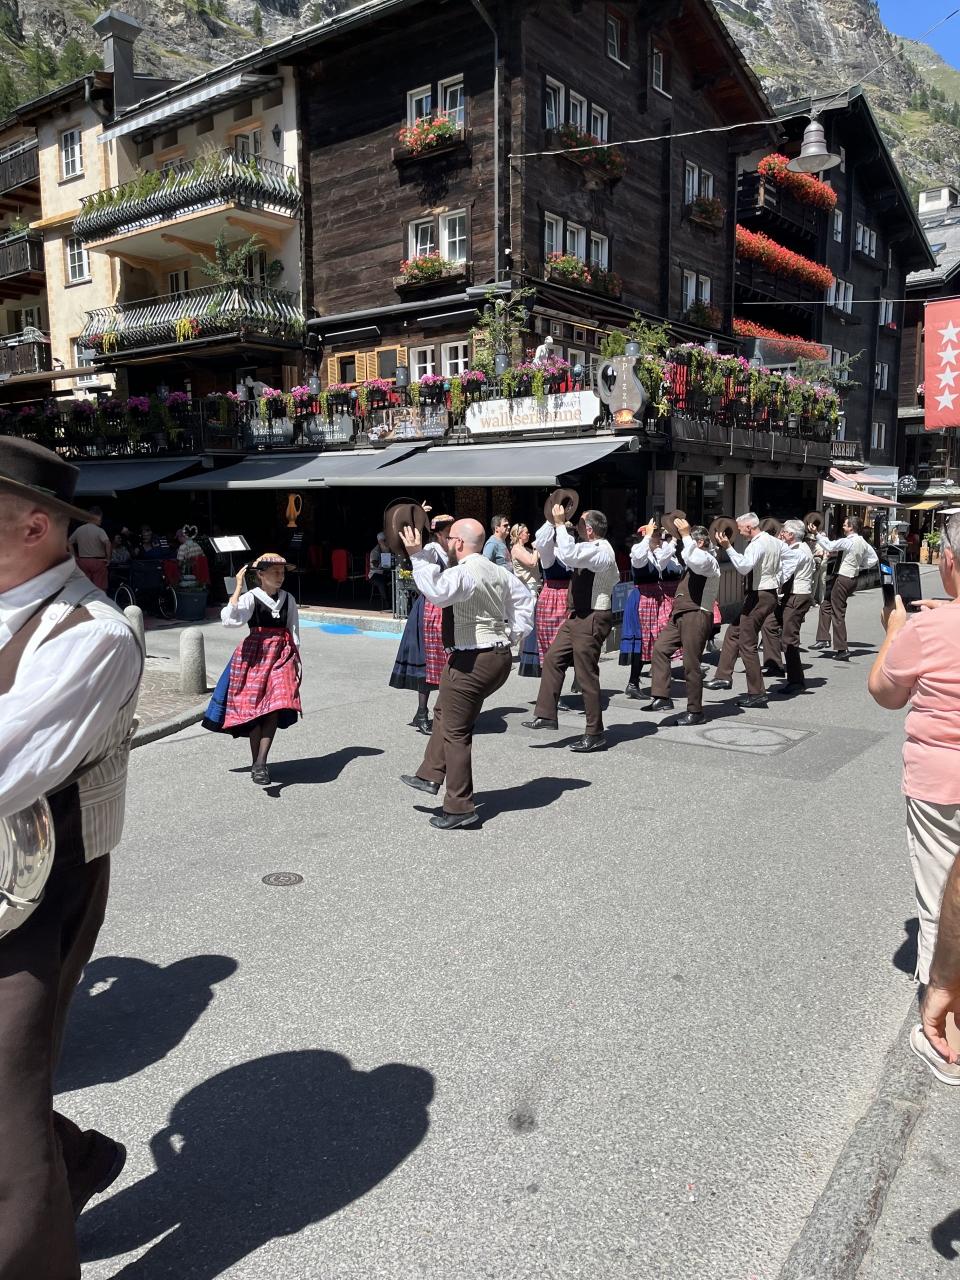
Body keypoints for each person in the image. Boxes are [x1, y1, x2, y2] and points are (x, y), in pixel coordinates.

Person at [0, 437, 144, 1278]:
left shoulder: (95, 636)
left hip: (35, 889)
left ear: (33, 528)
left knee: (6, 1136)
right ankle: (75, 1158)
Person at [868, 513, 960, 1022]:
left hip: (940, 781)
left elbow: (886, 692)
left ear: (948, 560)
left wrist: (896, 630)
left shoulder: (927, 628)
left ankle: (940, 1022)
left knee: (941, 896)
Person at [398, 517, 534, 829]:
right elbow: (525, 601)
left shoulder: (464, 572)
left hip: (475, 658)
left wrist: (417, 555)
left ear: (458, 542)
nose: (447, 543)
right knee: (443, 711)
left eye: (450, 539)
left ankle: (460, 807)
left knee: (456, 731)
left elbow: (437, 592)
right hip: (494, 656)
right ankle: (430, 774)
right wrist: (510, 634)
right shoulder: (497, 570)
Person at [523, 506, 620, 752]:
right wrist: (551, 521)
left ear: (590, 529)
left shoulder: (601, 550)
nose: (575, 526)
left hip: (593, 615)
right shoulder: (587, 548)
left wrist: (559, 525)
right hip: (577, 615)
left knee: (586, 675)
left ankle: (595, 733)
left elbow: (569, 553)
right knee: (553, 658)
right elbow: (542, 544)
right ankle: (546, 714)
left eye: (580, 524)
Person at [202, 553, 302, 786]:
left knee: (275, 706)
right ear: (261, 575)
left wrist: (296, 659)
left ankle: (261, 762)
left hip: (280, 656)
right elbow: (230, 620)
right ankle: (258, 764)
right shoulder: (250, 597)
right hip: (253, 657)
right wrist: (238, 587)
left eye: (282, 572)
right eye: (275, 572)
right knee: (255, 710)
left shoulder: (288, 599)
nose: (280, 576)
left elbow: (294, 631)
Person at [641, 519, 720, 725]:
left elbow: (694, 560)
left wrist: (685, 535)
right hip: (680, 614)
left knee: (691, 663)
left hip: (697, 614)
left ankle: (696, 711)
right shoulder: (695, 559)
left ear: (700, 543)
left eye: (692, 541)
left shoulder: (708, 560)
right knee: (660, 649)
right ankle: (662, 697)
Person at [706, 511, 783, 709]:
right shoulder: (774, 541)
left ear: (749, 527)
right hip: (766, 592)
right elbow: (789, 560)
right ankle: (723, 676)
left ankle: (757, 693)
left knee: (747, 643)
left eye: (741, 529)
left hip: (760, 594)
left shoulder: (757, 543)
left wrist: (728, 547)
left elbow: (743, 567)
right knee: (733, 632)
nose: (739, 533)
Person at [389, 514, 453, 733]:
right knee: (428, 661)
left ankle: (442, 712)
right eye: (448, 532)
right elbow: (419, 567)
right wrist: (415, 519)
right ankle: (422, 712)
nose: (452, 536)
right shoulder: (431, 550)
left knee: (447, 661)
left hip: (446, 608)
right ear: (439, 533)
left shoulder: (449, 550)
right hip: (429, 610)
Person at [620, 517, 683, 697]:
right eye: (656, 535)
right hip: (643, 600)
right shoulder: (639, 553)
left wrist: (675, 537)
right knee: (642, 642)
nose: (659, 538)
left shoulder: (655, 556)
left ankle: (653, 680)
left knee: (656, 639)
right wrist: (647, 536)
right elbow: (638, 555)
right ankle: (633, 683)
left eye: (658, 535)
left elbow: (667, 554)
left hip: (654, 598)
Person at [811, 516, 879, 660]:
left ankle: (842, 649)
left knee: (838, 612)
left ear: (851, 527)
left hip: (843, 577)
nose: (843, 526)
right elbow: (874, 559)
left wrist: (816, 534)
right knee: (826, 604)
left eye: (845, 524)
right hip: (851, 577)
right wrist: (859, 566)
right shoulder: (863, 542)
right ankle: (823, 638)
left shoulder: (848, 541)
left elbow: (829, 546)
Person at [766, 518, 816, 696]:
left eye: (785, 532)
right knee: (770, 623)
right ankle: (774, 664)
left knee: (789, 638)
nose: (782, 534)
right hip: (793, 594)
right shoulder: (799, 548)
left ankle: (796, 681)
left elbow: (784, 574)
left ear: (792, 535)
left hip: (797, 595)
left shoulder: (798, 551)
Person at [68, 504, 111, 590]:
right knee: (100, 589)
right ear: (96, 517)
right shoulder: (100, 530)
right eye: (100, 518)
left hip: (82, 562)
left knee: (85, 588)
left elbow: (69, 542)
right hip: (98, 562)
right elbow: (108, 543)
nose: (101, 520)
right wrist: (108, 558)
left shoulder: (79, 529)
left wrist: (74, 556)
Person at [510, 523, 540, 597]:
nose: (529, 534)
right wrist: (535, 548)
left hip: (531, 585)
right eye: (526, 532)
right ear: (519, 535)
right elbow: (532, 563)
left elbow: (538, 556)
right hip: (526, 586)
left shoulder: (525, 549)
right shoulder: (517, 549)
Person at [368, 532, 391, 609]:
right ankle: (386, 602)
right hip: (375, 574)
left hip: (386, 573)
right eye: (384, 540)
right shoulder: (375, 551)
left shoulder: (388, 549)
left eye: (386, 540)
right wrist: (382, 563)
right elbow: (375, 564)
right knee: (382, 582)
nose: (386, 542)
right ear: (380, 541)